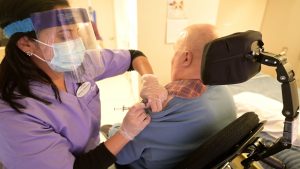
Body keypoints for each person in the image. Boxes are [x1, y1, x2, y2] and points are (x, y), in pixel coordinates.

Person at [0, 0, 167, 169]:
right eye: (64, 35)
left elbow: (134, 56)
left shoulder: (77, 64)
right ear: (26, 43)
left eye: (76, 31)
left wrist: (149, 79)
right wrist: (125, 134)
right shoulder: (15, 114)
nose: (76, 42)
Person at [110, 24, 237, 169]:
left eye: (175, 52)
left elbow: (119, 156)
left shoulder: (164, 107)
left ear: (186, 58)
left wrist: (116, 129)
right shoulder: (225, 91)